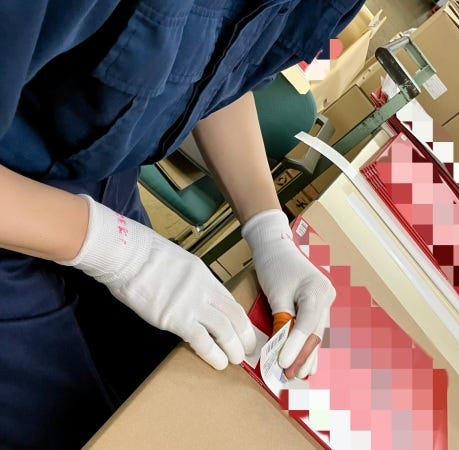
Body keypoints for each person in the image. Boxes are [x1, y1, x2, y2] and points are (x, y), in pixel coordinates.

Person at [0, 1, 364, 448]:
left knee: (173, 382)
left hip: (105, 185)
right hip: (13, 197)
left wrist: (268, 228)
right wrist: (118, 251)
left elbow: (217, 71)